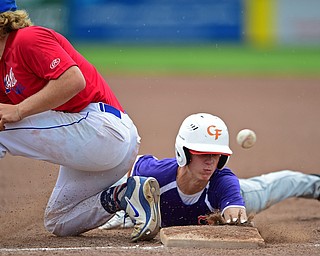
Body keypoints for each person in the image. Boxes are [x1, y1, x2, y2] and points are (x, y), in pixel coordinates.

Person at [0, 1, 161, 242]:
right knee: (58, 222)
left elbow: (74, 81)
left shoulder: (26, 39)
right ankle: (126, 194)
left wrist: (20, 110)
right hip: (94, 146)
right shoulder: (2, 69)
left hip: (102, 128)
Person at [99, 113, 320, 230]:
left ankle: (316, 185)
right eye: (203, 153)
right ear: (184, 153)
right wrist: (124, 207)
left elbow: (234, 208)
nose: (210, 162)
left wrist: (235, 214)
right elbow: (132, 167)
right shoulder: (157, 175)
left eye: (216, 155)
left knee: (272, 186)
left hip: (239, 195)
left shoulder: (223, 183)